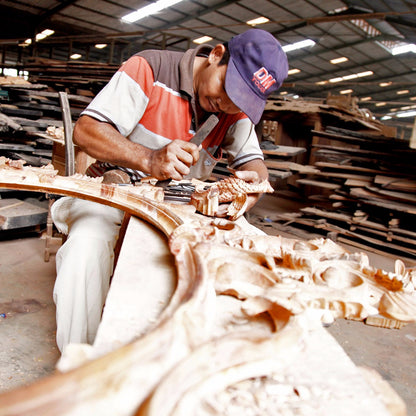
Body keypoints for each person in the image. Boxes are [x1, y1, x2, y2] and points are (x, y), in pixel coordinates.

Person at [51, 28, 288, 352]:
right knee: (87, 244)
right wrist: (148, 158)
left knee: (252, 257)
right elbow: (86, 130)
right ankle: (82, 362)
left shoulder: (232, 109)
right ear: (216, 54)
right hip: (116, 187)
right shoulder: (150, 68)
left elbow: (255, 163)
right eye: (227, 87)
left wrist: (253, 184)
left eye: (240, 100)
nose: (227, 103)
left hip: (179, 203)